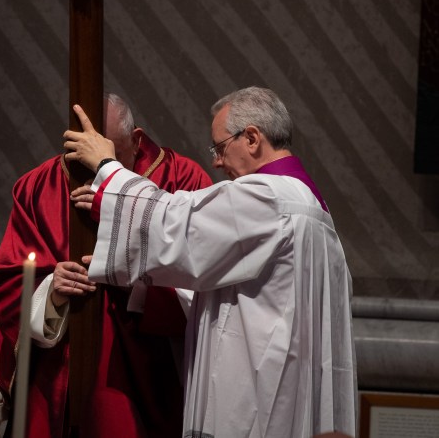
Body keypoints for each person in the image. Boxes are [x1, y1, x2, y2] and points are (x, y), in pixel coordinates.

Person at [64, 87, 358, 438]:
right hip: (289, 390)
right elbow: (244, 293)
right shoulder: (312, 207)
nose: (216, 162)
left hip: (257, 398)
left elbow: (177, 223)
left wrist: (107, 168)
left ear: (251, 138)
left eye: (220, 147)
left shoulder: (267, 196)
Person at [0, 93, 212, 438]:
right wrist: (50, 291)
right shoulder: (36, 187)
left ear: (136, 141)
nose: (96, 175)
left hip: (147, 375)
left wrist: (134, 279)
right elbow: (7, 281)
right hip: (58, 375)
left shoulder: (182, 179)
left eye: (110, 159)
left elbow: (204, 275)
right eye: (83, 157)